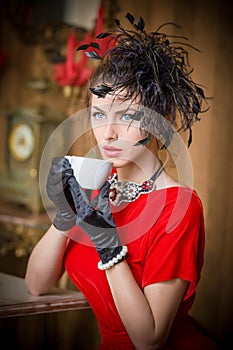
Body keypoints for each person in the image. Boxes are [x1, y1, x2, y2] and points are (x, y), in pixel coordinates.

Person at [25, 13, 220, 349]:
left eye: (127, 116)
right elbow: (36, 285)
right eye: (99, 115)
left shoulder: (179, 208)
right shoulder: (96, 186)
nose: (108, 133)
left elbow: (149, 340)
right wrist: (65, 213)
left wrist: (107, 242)